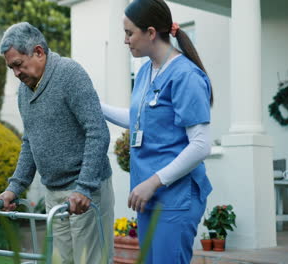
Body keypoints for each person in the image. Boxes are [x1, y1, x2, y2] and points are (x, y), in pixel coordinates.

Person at [101, 0, 213, 263]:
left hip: (174, 197)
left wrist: (152, 183)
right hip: (147, 196)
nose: (125, 41)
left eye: (130, 33)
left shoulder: (186, 76)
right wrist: (95, 106)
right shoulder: (145, 72)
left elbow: (201, 145)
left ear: (151, 33)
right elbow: (138, 120)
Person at [0, 22, 114, 264]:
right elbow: (30, 141)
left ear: (38, 52)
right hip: (54, 194)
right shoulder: (24, 91)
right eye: (11, 68)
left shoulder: (69, 74)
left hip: (85, 192)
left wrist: (85, 187)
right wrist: (14, 188)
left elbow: (98, 131)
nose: (16, 73)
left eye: (18, 65)